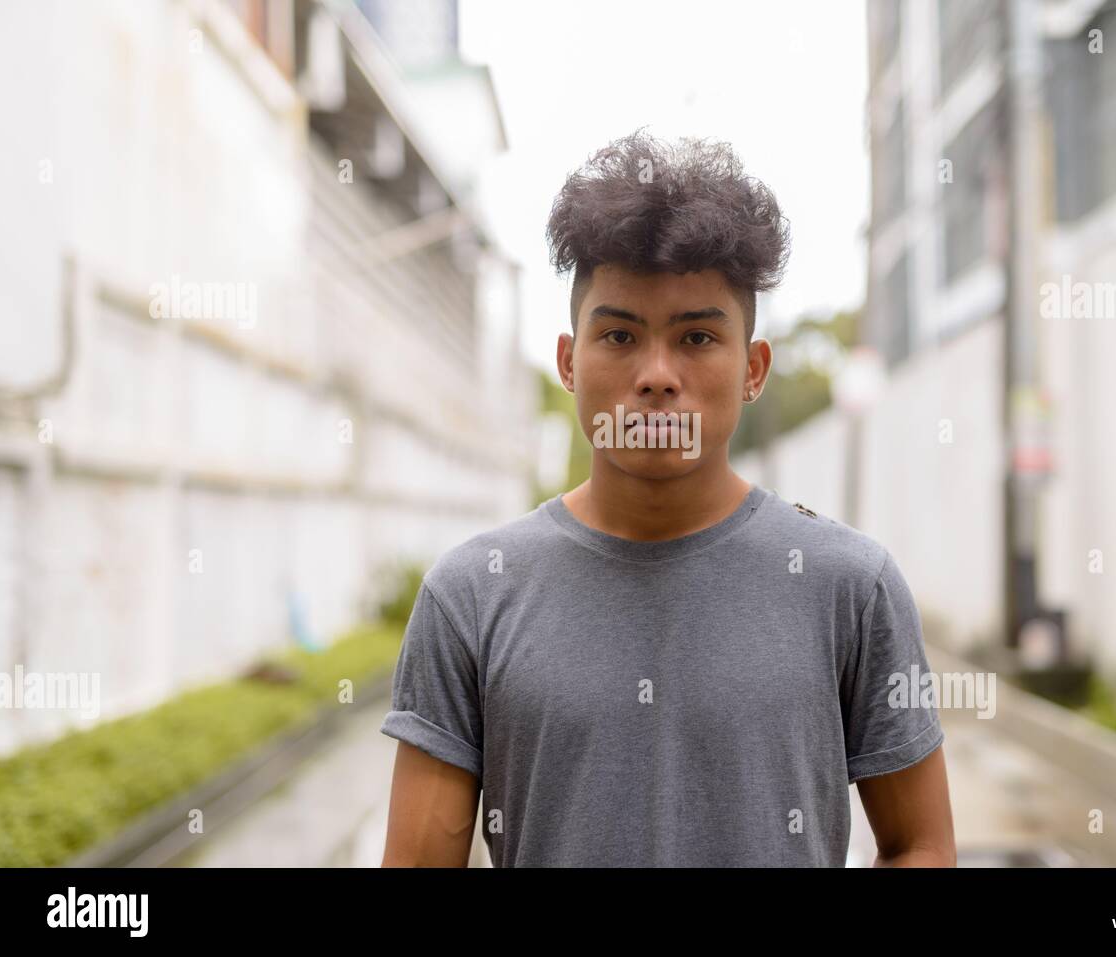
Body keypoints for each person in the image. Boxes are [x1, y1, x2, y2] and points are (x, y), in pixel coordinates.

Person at [380, 128, 955, 867]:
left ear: (753, 368)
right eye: (619, 336)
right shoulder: (471, 595)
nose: (656, 373)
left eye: (695, 338)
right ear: (568, 361)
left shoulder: (851, 585)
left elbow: (922, 846)